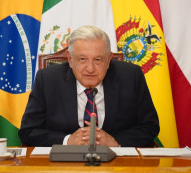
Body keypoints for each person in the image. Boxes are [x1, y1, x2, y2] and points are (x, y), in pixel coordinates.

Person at [19, 25, 159, 147]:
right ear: (70, 59)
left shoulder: (131, 76)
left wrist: (116, 141)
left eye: (98, 60)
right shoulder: (48, 80)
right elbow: (28, 131)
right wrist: (67, 140)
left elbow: (150, 126)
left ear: (109, 59)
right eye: (82, 59)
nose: (90, 69)